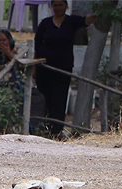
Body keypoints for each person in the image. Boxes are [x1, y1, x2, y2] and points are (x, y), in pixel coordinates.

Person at [34, 0, 96, 138]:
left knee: (59, 99)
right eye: (55, 5)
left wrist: (102, 12)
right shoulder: (45, 23)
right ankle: (43, 129)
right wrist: (34, 68)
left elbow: (86, 20)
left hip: (62, 69)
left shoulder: (71, 21)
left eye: (60, 5)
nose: (58, 8)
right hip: (44, 69)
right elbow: (37, 46)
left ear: (66, 6)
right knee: (45, 98)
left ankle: (56, 131)